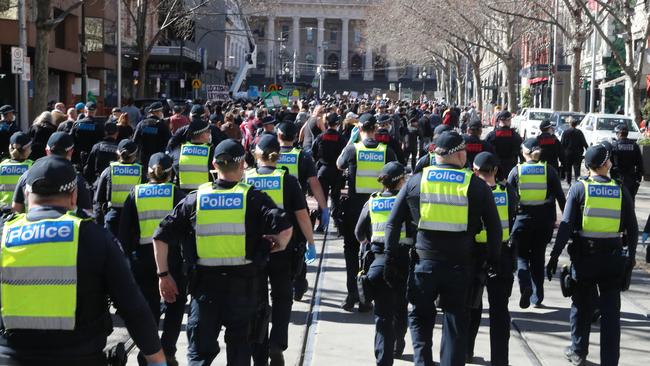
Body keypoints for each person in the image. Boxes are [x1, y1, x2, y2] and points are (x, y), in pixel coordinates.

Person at [0, 155, 166, 365]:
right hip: (80, 357)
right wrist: (158, 360)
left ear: (26, 194)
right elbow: (133, 307)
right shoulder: (95, 238)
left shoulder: (4, 235)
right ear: (73, 196)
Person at [153, 139, 293, 365]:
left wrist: (163, 275)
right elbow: (285, 226)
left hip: (205, 290)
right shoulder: (254, 198)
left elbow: (160, 235)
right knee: (239, 351)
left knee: (199, 354)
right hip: (245, 290)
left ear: (214, 165)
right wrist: (279, 244)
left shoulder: (195, 199)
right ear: (242, 166)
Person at [382, 131, 502, 366]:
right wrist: (493, 261)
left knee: (420, 317)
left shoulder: (416, 181)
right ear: (458, 154)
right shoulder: (475, 185)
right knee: (456, 320)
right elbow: (495, 229)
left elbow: (393, 222)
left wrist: (389, 258)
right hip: (460, 265)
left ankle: (422, 361)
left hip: (424, 264)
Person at [546, 144, 637, 366]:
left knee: (581, 307)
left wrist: (555, 256)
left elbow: (565, 226)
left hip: (585, 258)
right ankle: (609, 361)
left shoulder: (579, 189)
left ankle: (578, 351)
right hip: (613, 259)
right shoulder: (619, 189)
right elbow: (632, 229)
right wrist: (631, 260)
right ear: (605, 164)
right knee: (611, 315)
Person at [246, 134, 317, 366]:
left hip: (254, 250)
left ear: (257, 154)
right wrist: (311, 242)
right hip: (283, 249)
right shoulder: (288, 180)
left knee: (257, 301)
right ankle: (277, 343)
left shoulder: (246, 179)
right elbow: (302, 215)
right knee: (283, 297)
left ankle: (259, 349)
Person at [118, 152, 187, 366]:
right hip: (171, 259)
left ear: (148, 171)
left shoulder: (135, 193)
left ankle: (148, 351)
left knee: (148, 310)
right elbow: (186, 230)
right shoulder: (177, 194)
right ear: (170, 173)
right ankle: (167, 350)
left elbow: (124, 234)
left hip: (142, 261)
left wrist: (127, 261)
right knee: (175, 305)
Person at [337, 113, 397, 312]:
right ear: (375, 129)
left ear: (360, 129)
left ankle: (352, 293)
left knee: (352, 251)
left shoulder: (353, 148)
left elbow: (339, 164)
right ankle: (368, 297)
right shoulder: (386, 151)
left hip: (355, 207)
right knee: (375, 252)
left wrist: (352, 141)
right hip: (379, 208)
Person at [355, 162, 413, 365]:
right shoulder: (406, 201)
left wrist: (368, 243)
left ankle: (383, 358)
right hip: (402, 260)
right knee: (400, 306)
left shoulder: (372, 201)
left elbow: (359, 232)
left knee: (382, 313)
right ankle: (398, 344)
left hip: (378, 261)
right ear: (401, 181)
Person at [466, 152, 517, 365]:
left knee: (471, 307)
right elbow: (514, 217)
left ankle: (466, 351)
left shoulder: (470, 192)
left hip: (474, 254)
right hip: (501, 255)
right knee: (499, 310)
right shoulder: (508, 192)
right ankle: (500, 359)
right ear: (496, 170)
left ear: (475, 171)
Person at [508, 138, 566, 308]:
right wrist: (568, 221)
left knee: (522, 257)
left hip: (521, 220)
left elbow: (509, 200)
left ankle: (525, 284)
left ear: (524, 152)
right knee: (538, 257)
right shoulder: (549, 170)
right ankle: (537, 296)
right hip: (544, 221)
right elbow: (561, 198)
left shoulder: (516, 171)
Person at [276, 121, 329, 299]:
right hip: (297, 209)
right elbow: (314, 183)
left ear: (279, 136)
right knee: (300, 248)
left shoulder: (270, 155)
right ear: (295, 136)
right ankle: (298, 284)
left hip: (273, 211)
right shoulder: (303, 156)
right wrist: (324, 208)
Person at [12, 132, 93, 216]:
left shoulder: (27, 176)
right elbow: (88, 214)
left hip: (30, 226)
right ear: (70, 152)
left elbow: (16, 210)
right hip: (66, 228)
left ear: (47, 151)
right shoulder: (77, 179)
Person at [94, 139, 143, 235]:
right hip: (133, 219)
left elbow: (99, 199)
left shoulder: (109, 171)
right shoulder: (141, 172)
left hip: (112, 217)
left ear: (118, 153)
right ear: (135, 155)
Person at [311, 116, 345, 233]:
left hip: (323, 171)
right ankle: (336, 221)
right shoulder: (341, 138)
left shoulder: (320, 137)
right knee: (335, 197)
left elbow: (313, 153)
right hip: (337, 171)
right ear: (337, 124)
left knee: (322, 198)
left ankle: (321, 224)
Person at [170, 118, 213, 192]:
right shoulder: (211, 151)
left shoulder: (178, 150)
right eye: (208, 132)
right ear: (202, 135)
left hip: (184, 197)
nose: (210, 134)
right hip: (205, 195)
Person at [485, 110, 523, 181]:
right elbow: (521, 154)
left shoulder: (491, 136)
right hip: (511, 169)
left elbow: (485, 153)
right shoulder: (516, 136)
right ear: (509, 120)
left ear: (499, 121)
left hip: (495, 170)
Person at [134, 102, 171, 170]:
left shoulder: (141, 124)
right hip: (158, 158)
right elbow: (169, 141)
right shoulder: (162, 125)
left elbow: (135, 141)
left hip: (144, 158)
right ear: (157, 112)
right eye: (161, 111)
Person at [0, 132, 33, 210]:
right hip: (24, 216)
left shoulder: (1, 166)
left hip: (3, 215)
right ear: (27, 149)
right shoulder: (32, 167)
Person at [611, 123, 644, 200]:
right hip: (631, 179)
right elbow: (640, 164)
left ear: (619, 134)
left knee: (618, 202)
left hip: (617, 178)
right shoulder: (634, 145)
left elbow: (609, 164)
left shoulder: (614, 146)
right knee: (630, 202)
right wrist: (638, 180)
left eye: (616, 133)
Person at [83, 121, 119, 188]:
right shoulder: (120, 149)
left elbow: (89, 167)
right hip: (114, 184)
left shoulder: (97, 147)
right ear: (117, 133)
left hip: (98, 183)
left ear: (105, 132)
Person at [71, 102, 104, 167]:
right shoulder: (99, 125)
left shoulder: (77, 124)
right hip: (93, 157)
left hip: (78, 157)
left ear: (85, 110)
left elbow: (71, 138)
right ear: (95, 111)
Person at [561, 117, 589, 184]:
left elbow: (562, 144)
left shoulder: (565, 132)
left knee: (568, 170)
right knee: (577, 170)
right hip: (577, 154)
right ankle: (577, 182)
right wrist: (588, 151)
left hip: (568, 154)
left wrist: (561, 154)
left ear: (570, 124)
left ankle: (569, 182)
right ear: (576, 124)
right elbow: (584, 143)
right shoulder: (579, 132)